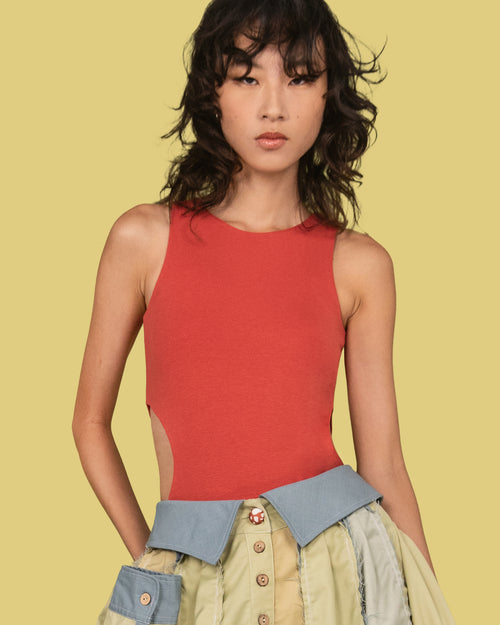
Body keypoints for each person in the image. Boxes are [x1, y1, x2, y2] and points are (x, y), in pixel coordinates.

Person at [72, 1, 457, 623]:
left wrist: (426, 603)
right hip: (194, 571)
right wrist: (155, 561)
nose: (273, 106)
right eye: (247, 78)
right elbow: (89, 423)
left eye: (299, 78)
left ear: (329, 94)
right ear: (213, 91)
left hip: (340, 568)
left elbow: (384, 462)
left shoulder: (359, 265)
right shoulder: (143, 240)